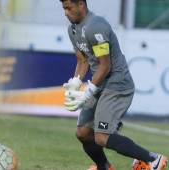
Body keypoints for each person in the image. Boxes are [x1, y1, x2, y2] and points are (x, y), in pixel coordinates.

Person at [59, 0, 168, 170]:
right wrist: (76, 82)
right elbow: (82, 59)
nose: (65, 12)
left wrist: (88, 92)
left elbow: (105, 65)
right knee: (83, 133)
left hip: (117, 84)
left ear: (81, 4)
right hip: (100, 83)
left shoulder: (96, 27)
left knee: (101, 137)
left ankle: (153, 159)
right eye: (63, 8)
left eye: (68, 7)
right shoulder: (72, 29)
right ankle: (105, 167)